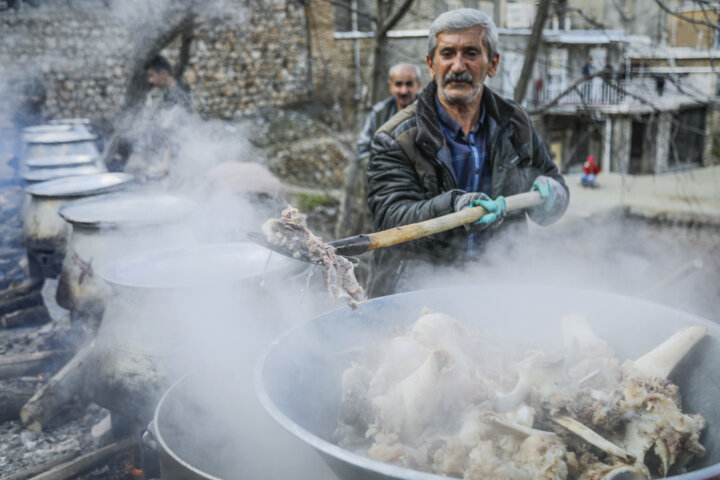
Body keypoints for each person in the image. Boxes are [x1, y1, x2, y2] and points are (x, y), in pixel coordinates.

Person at [366, 8, 569, 297]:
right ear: (431, 64)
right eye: (447, 53)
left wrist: (555, 197)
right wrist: (455, 207)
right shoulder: (396, 138)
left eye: (471, 53)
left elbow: (550, 182)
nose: (458, 66)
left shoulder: (515, 122)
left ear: (493, 64)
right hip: (417, 292)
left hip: (497, 285)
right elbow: (392, 218)